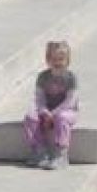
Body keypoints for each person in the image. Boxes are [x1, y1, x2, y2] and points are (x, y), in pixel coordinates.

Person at [23, 41, 79, 170]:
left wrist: (53, 114)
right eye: (54, 59)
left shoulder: (71, 78)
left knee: (62, 117)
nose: (57, 62)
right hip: (47, 112)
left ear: (67, 60)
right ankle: (40, 151)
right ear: (48, 59)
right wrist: (44, 112)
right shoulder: (42, 77)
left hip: (67, 111)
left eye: (61, 59)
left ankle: (61, 154)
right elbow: (39, 99)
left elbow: (70, 101)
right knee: (30, 116)